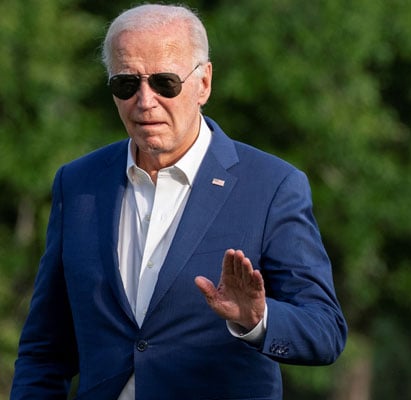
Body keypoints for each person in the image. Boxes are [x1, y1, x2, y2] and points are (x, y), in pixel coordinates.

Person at [11, 4, 346, 399]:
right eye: (126, 84)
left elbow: (325, 330)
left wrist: (259, 320)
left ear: (203, 82)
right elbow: (45, 349)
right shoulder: (79, 184)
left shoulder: (272, 185)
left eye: (165, 82)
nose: (145, 100)